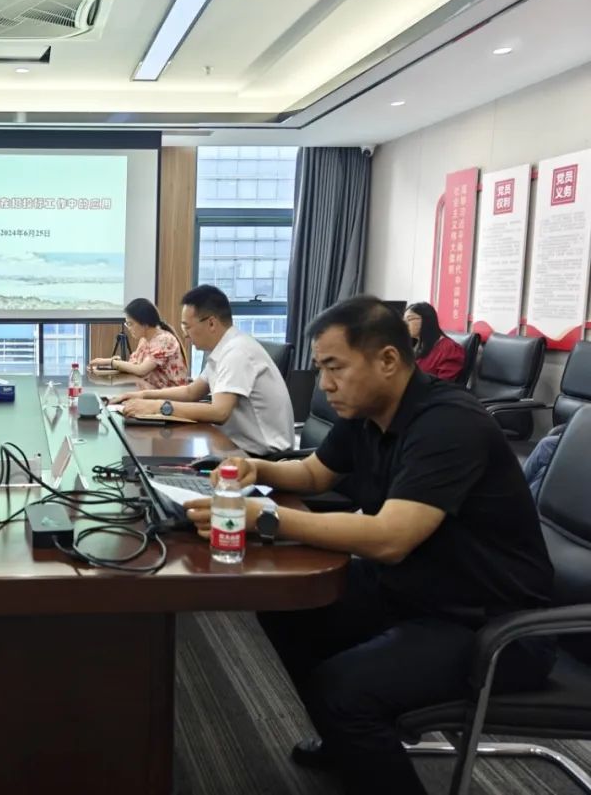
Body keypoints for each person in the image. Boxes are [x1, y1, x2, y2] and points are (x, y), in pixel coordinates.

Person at [182, 295, 555, 795]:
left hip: (494, 624)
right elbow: (315, 474)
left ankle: (350, 724)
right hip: (418, 589)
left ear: (388, 360)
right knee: (286, 604)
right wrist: (257, 468)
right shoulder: (368, 411)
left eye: (334, 367)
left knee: (344, 690)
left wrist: (266, 518)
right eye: (320, 368)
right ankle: (348, 739)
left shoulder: (448, 424)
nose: (324, 383)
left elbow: (390, 538)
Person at [113, 285, 293, 456]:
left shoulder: (237, 352)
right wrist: (143, 395)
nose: (185, 334)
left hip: (260, 456)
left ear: (211, 323)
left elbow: (219, 412)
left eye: (187, 327)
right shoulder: (223, 349)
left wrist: (158, 407)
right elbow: (191, 392)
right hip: (233, 444)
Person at [87, 298, 188, 390]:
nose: (129, 328)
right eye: (127, 324)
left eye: (130, 324)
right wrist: (102, 370)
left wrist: (109, 362)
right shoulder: (144, 340)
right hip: (151, 393)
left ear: (145, 323)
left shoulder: (164, 340)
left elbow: (141, 370)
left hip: (169, 397)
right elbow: (133, 367)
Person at [403, 301, 465, 382]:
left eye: (409, 319)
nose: (405, 324)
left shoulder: (449, 349)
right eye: (404, 321)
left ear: (427, 320)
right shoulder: (418, 345)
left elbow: (443, 385)